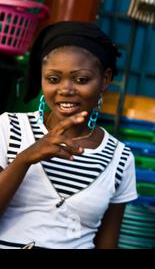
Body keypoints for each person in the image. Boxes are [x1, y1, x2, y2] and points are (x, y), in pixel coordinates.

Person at [0, 21, 137, 249]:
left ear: (105, 79)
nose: (66, 89)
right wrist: (25, 159)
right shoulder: (9, 128)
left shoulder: (120, 158)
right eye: (53, 79)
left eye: (81, 79)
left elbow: (107, 244)